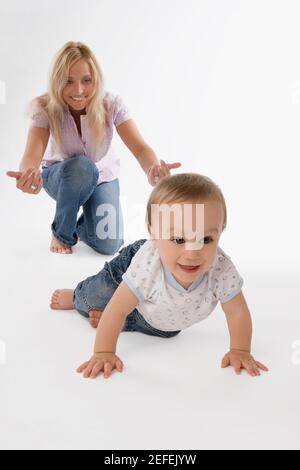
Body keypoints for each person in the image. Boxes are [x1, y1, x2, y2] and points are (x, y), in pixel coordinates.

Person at [50, 173, 269, 379]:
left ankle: (124, 321)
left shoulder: (220, 269)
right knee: (98, 296)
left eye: (205, 240)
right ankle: (76, 297)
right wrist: (103, 352)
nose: (192, 254)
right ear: (154, 233)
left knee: (166, 331)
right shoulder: (147, 266)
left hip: (162, 317)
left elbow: (237, 312)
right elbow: (118, 307)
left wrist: (240, 350)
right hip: (131, 270)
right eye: (179, 240)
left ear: (220, 231)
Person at [6, 41, 181, 255]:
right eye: (68, 81)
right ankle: (61, 233)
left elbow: (141, 148)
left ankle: (81, 225)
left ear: (95, 79)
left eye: (86, 80)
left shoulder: (111, 104)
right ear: (56, 81)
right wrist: (28, 174)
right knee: (82, 167)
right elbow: (32, 154)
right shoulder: (44, 107)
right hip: (62, 178)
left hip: (102, 177)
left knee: (110, 244)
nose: (78, 90)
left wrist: (153, 169)